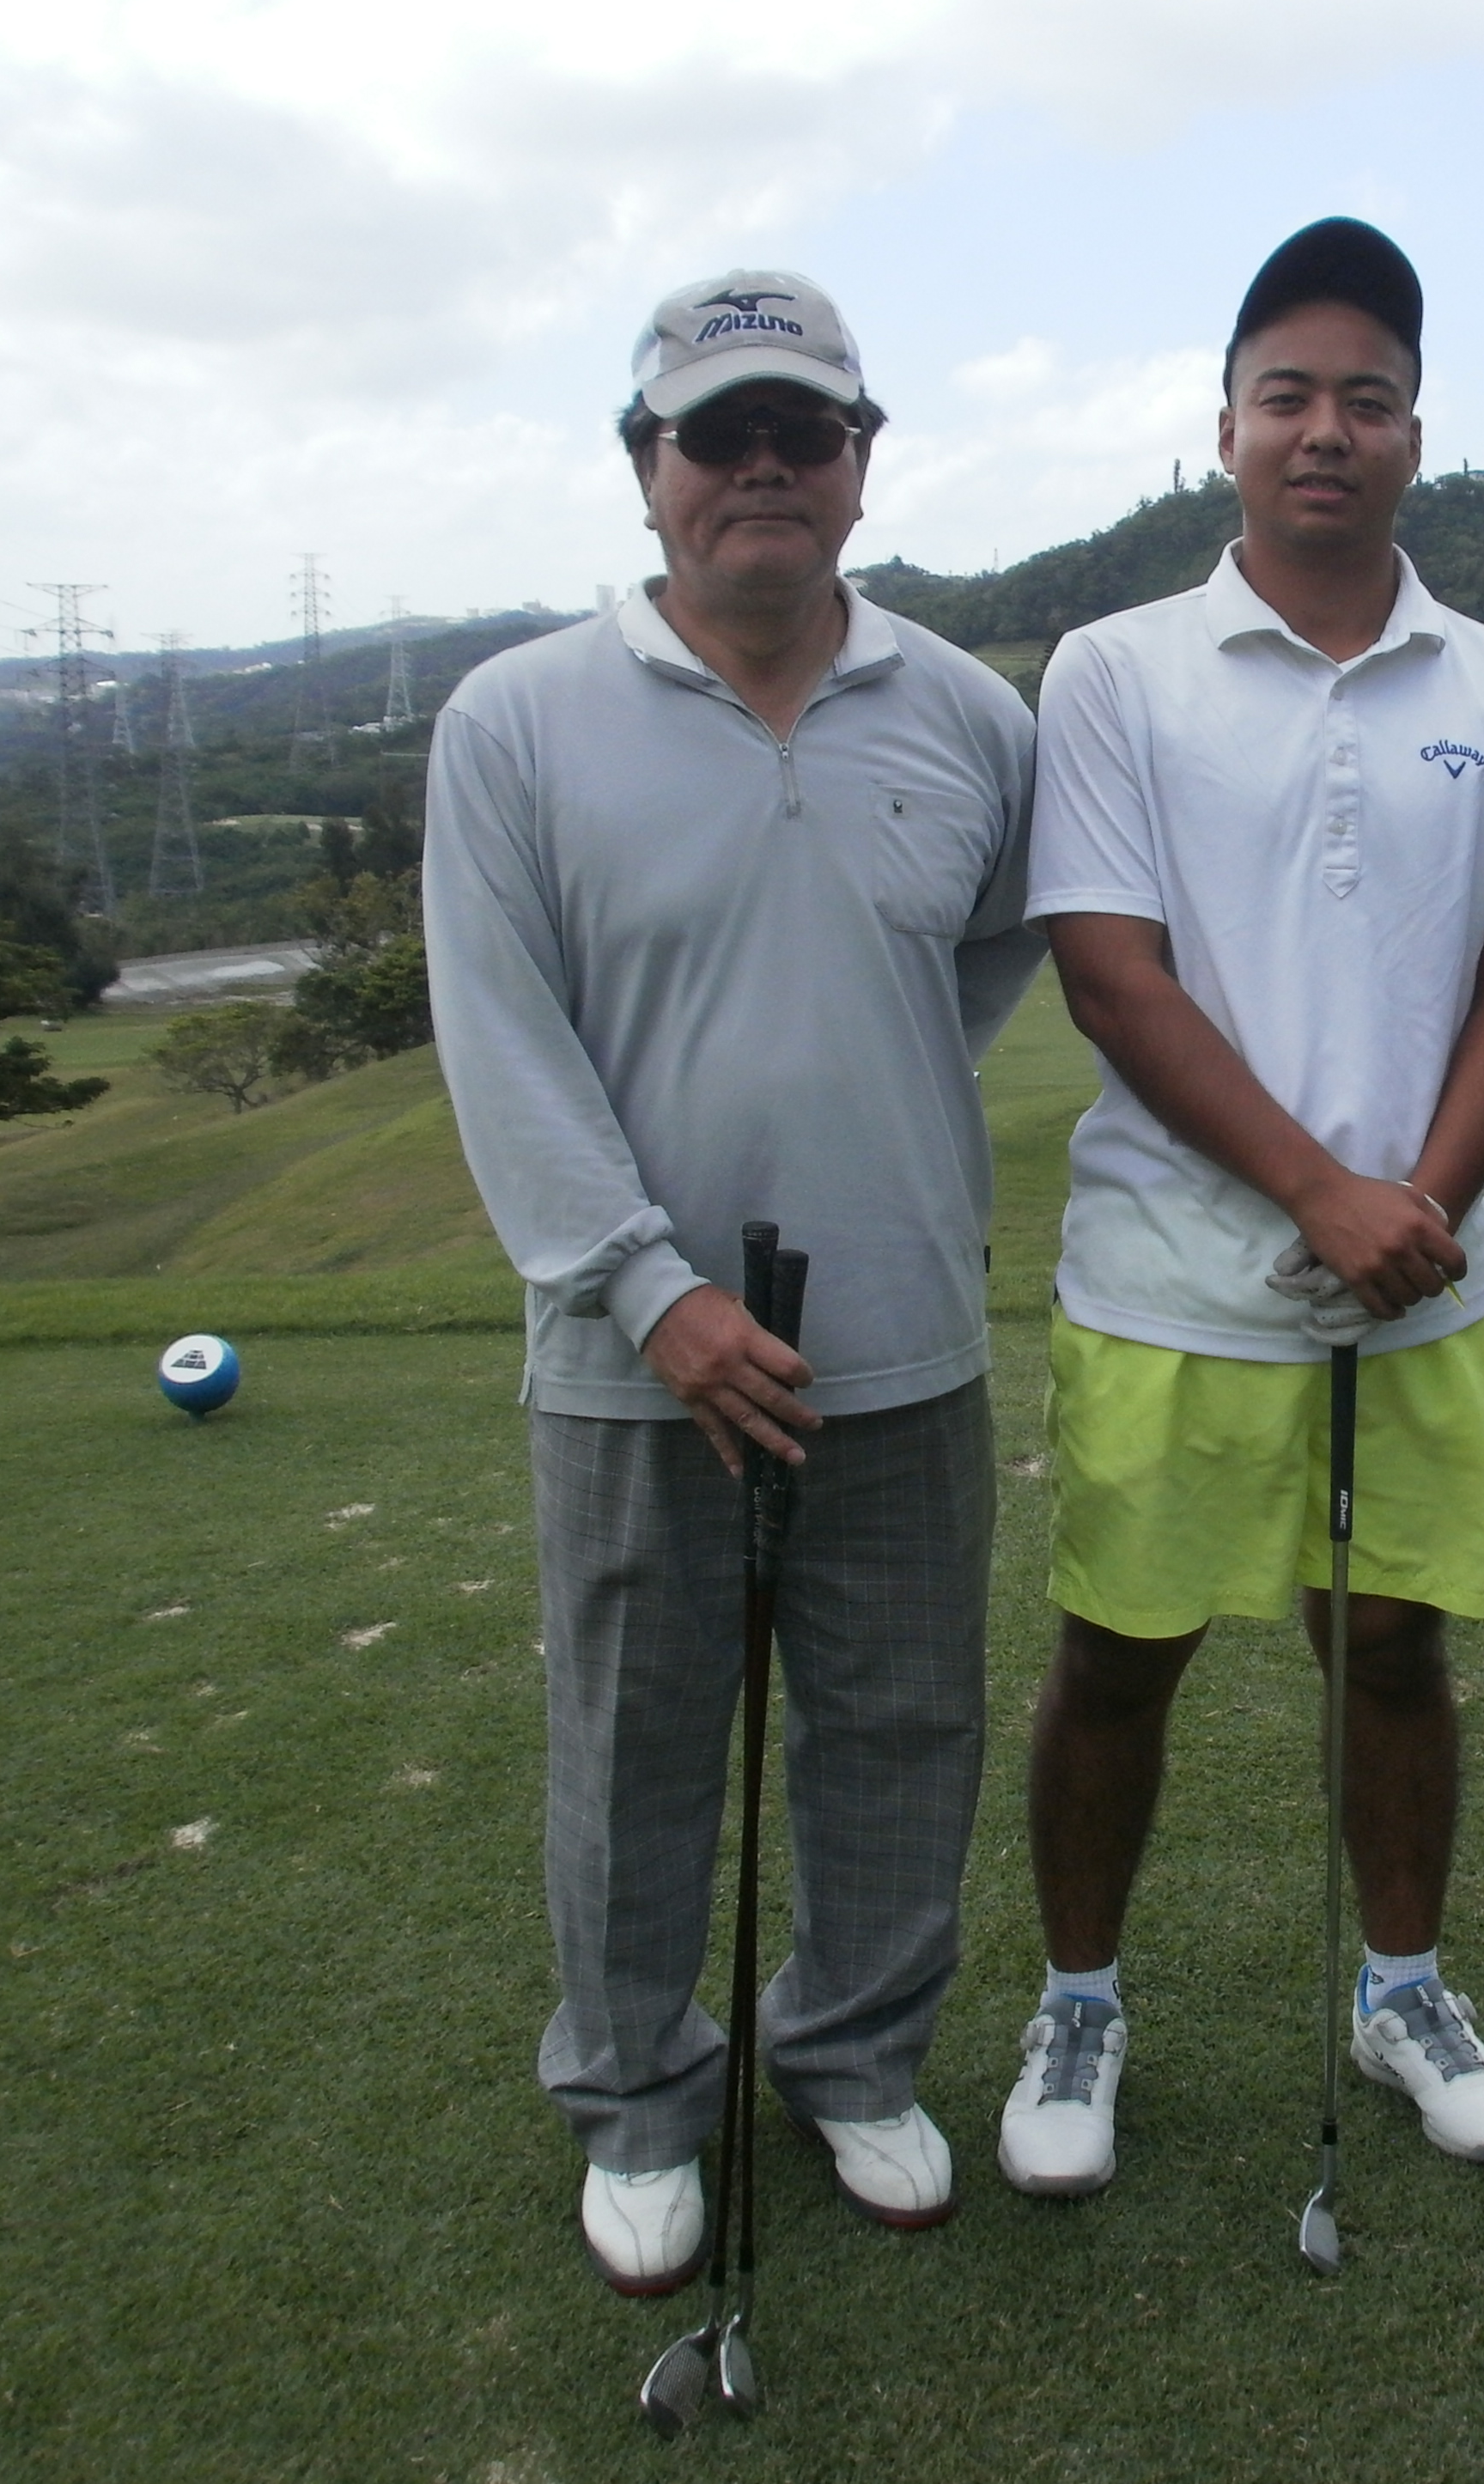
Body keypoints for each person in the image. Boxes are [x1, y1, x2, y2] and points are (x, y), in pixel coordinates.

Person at [426, 269, 1042, 2289]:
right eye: (718, 433)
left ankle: (853, 2058)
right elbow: (502, 1039)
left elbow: (980, 954)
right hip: (634, 1361)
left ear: (860, 465)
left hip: (900, 1332)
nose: (762, 465)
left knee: (899, 1724)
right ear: (646, 468)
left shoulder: (969, 716)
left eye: (803, 430)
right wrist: (646, 1286)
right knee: (634, 1744)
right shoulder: (513, 721)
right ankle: (633, 2098)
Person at [999, 218, 1484, 2198]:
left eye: (1365, 398)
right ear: (1226, 431)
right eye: (1287, 397)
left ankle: (1401, 1990)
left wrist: (1413, 1204)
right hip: (1167, 1285)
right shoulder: (1114, 671)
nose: (1324, 429)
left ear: (1415, 432)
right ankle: (1077, 2004)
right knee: (1115, 1659)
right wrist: (1317, 1190)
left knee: (1396, 1651)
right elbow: (1111, 975)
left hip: (1425, 1283)